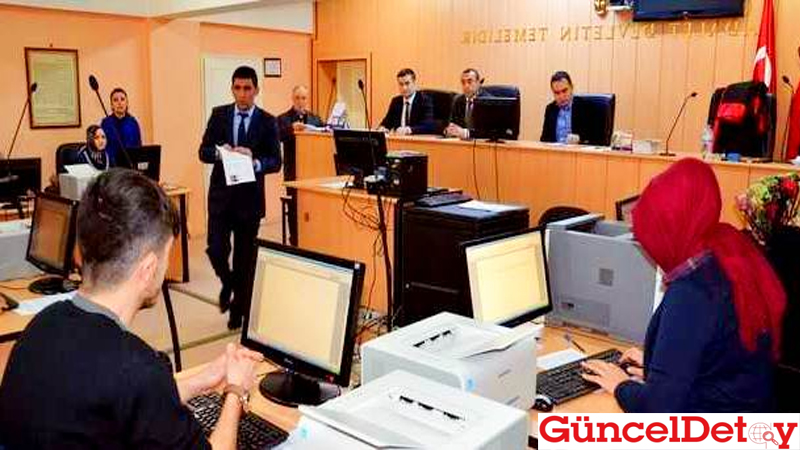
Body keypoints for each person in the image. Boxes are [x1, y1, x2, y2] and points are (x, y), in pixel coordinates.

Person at [0, 169, 264, 449]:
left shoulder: (41, 326)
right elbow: (136, 391)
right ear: (148, 269)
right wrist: (236, 391)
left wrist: (202, 380)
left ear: (80, 251)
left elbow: (124, 406)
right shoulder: (136, 368)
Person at [582, 159, 786, 413]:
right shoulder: (725, 250)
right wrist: (658, 367)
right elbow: (718, 355)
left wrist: (620, 385)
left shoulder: (692, 292)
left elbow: (658, 410)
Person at [199, 66, 281, 330]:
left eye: (247, 88)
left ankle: (238, 308)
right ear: (232, 89)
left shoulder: (267, 121)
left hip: (249, 201)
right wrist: (220, 152)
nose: (242, 94)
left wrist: (255, 162)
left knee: (244, 259)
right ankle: (228, 282)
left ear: (256, 90)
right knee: (216, 249)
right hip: (221, 198)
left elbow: (276, 161)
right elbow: (203, 151)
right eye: (237, 88)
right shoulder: (219, 115)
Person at [278, 85, 324, 247]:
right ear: (292, 99)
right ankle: (295, 241)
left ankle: (312, 240)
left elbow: (325, 132)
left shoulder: (315, 119)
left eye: (303, 98)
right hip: (294, 172)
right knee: (295, 208)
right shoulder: (283, 119)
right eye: (297, 98)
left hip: (313, 171)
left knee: (313, 208)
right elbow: (278, 135)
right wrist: (291, 129)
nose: (300, 101)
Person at [540, 71, 604, 145]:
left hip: (577, 151)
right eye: (557, 93)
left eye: (564, 91)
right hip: (555, 151)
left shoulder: (586, 107)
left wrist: (579, 140)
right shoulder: (550, 109)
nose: (561, 96)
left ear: (572, 88)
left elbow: (597, 139)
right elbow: (544, 139)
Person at [378, 68, 435, 135]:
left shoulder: (424, 100)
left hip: (417, 139)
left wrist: (408, 130)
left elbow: (428, 125)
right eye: (401, 84)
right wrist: (382, 128)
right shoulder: (396, 102)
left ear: (414, 83)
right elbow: (387, 122)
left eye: (407, 83)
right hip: (398, 139)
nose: (404, 88)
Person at [101, 87, 142, 167]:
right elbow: (102, 147)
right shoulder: (106, 123)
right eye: (115, 100)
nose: (119, 103)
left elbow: (138, 147)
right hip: (112, 167)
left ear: (127, 103)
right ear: (111, 105)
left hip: (130, 166)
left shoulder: (133, 123)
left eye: (122, 99)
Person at [445, 68, 488, 139]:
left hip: (481, 143)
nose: (466, 86)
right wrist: (449, 131)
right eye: (463, 82)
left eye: (469, 82)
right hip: (461, 142)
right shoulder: (458, 100)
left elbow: (488, 132)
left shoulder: (487, 102)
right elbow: (453, 123)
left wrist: (466, 133)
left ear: (478, 83)